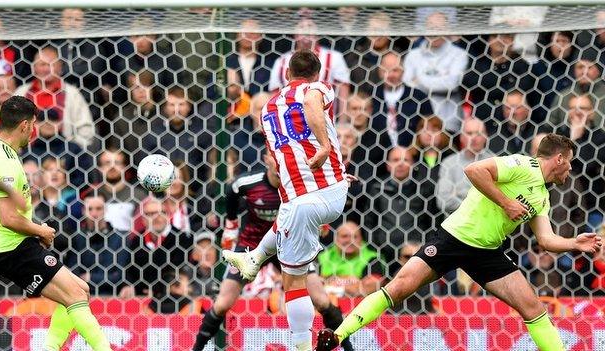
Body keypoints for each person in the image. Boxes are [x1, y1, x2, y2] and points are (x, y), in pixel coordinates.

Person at [316, 134, 603, 351]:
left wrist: (573, 244)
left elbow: (545, 238)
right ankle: (338, 335)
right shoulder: (521, 164)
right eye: (571, 162)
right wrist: (506, 203)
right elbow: (474, 170)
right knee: (399, 287)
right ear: (560, 158)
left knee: (533, 307)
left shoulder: (542, 194)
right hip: (453, 239)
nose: (570, 169)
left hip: (488, 252)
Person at [223, 50, 350, 351]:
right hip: (326, 190)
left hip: (308, 199)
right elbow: (311, 101)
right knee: (290, 217)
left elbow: (308, 104)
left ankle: (301, 346)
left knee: (294, 283)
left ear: (287, 73)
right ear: (318, 74)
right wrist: (323, 146)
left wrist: (321, 147)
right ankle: (254, 258)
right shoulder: (319, 87)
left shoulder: (268, 108)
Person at [0, 96, 112, 351]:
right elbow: (8, 218)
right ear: (23, 125)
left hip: (17, 246)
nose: (33, 130)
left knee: (80, 291)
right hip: (13, 250)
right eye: (32, 124)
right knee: (75, 295)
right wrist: (40, 229)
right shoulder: (3, 162)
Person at [192, 153, 354, 351]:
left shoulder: (301, 186)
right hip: (252, 244)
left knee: (320, 299)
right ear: (266, 159)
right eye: (273, 156)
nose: (278, 160)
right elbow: (232, 193)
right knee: (223, 302)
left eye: (283, 155)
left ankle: (348, 347)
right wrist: (231, 226)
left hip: (290, 246)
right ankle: (196, 349)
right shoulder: (247, 184)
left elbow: (323, 194)